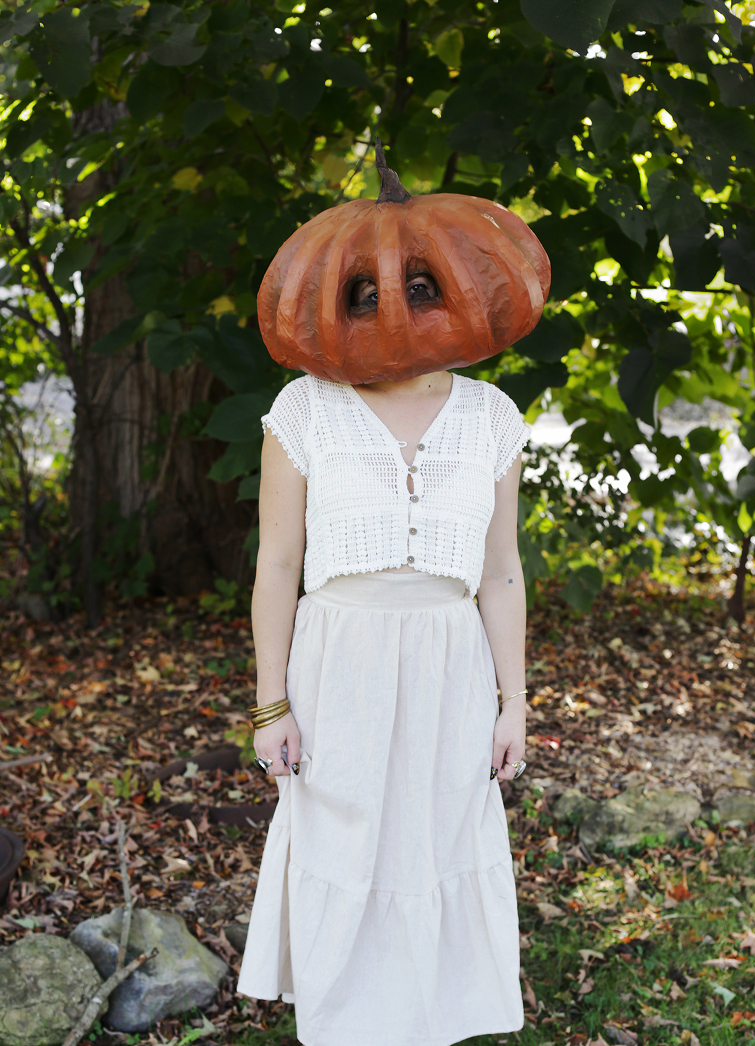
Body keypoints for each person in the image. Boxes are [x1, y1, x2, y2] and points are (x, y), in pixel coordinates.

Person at [236, 269, 531, 1046]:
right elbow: (275, 566)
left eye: (421, 292)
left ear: (452, 306)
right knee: (345, 843)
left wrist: (514, 703)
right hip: (339, 663)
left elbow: (501, 571)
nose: (391, 312)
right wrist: (271, 705)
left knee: (440, 843)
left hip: (451, 664)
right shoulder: (306, 409)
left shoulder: (491, 418)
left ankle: (431, 1023)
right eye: (368, 296)